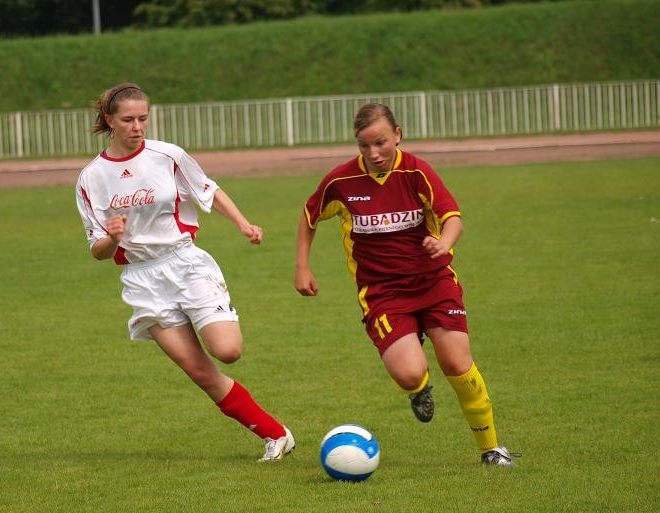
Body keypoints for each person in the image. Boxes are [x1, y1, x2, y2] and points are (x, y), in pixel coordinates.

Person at [75, 82, 294, 462]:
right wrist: (113, 238)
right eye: (128, 120)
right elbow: (97, 250)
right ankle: (276, 436)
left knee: (228, 351)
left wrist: (243, 224)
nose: (137, 127)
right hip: (143, 280)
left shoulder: (168, 155)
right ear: (109, 121)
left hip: (185, 263)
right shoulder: (91, 178)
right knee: (201, 372)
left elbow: (209, 190)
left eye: (143, 118)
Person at [294, 103, 517, 467]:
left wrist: (443, 242)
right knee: (410, 373)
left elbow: (453, 218)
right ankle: (418, 390)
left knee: (457, 363)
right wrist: (302, 267)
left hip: (434, 282)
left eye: (381, 142)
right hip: (382, 293)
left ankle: (491, 449)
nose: (373, 153)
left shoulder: (417, 172)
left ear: (398, 135)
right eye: (364, 145)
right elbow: (309, 216)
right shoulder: (341, 182)